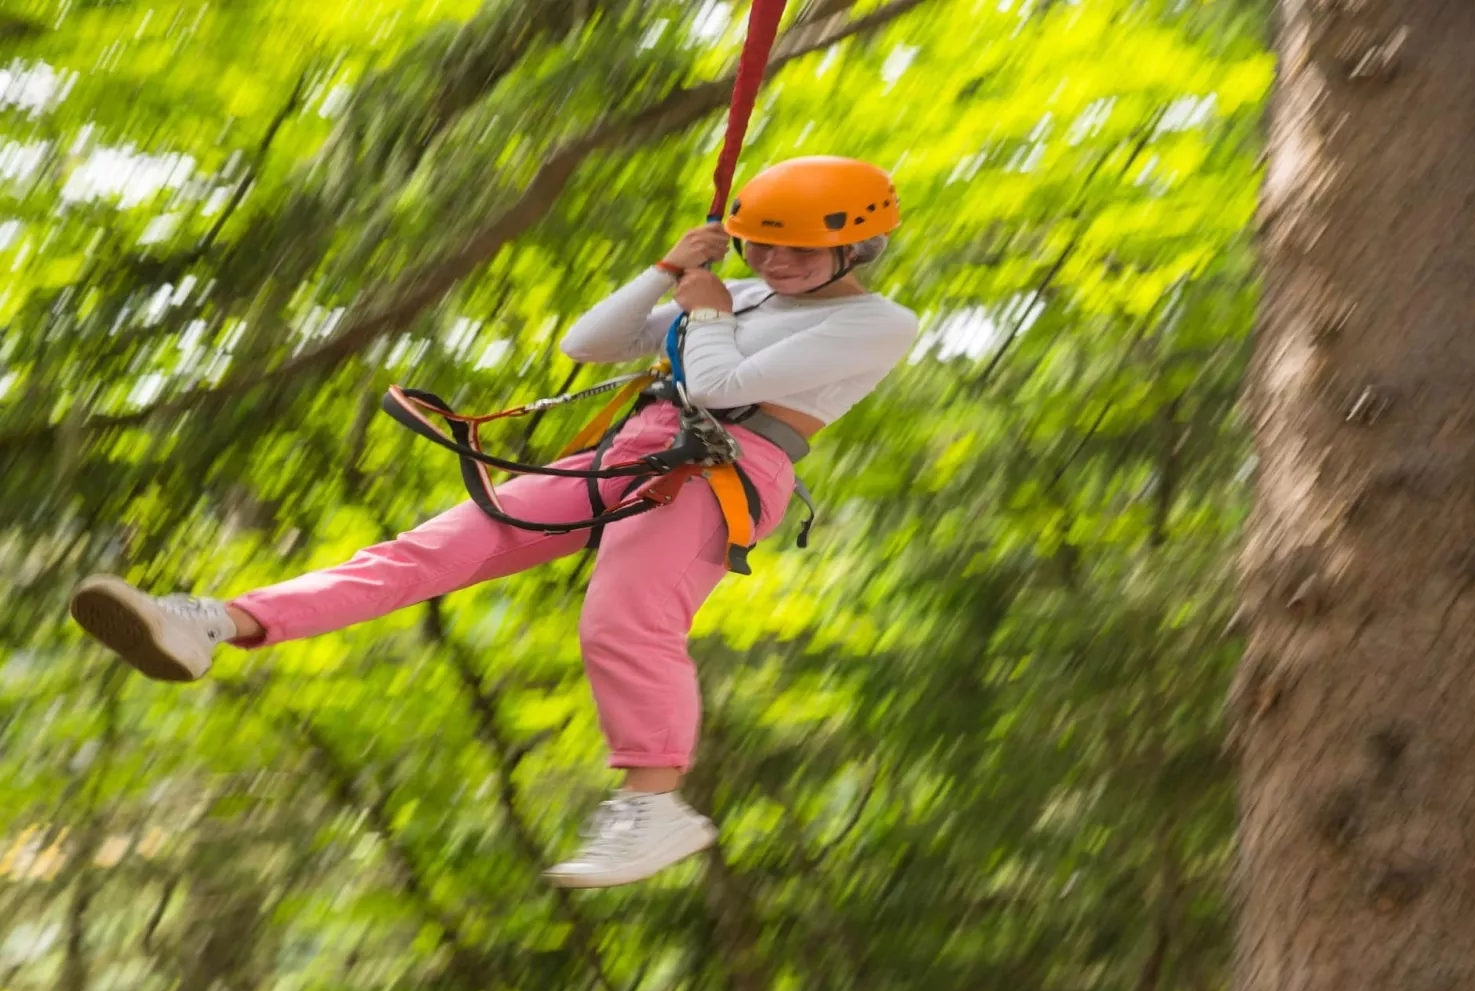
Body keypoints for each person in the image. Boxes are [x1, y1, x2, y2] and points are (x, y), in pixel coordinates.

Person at [66, 155, 920, 889]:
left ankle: (654, 807)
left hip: (725, 469)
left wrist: (705, 311)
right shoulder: (732, 290)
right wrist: (669, 272)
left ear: (858, 244)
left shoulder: (875, 322)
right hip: (640, 445)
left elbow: (720, 388)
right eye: (760, 241)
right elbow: (591, 344)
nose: (776, 258)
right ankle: (217, 623)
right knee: (427, 551)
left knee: (624, 618)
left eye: (800, 248)